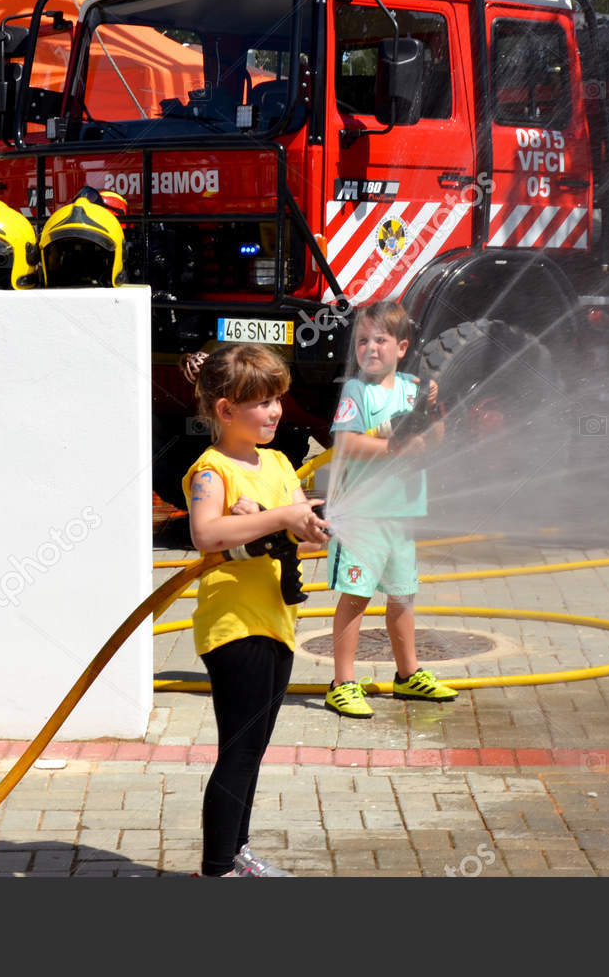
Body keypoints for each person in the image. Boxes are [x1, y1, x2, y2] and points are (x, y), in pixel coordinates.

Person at [185, 343, 329, 877]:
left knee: (255, 750)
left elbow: (301, 532)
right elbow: (206, 533)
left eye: (277, 400)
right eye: (262, 402)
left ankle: (238, 854)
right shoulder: (212, 469)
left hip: (277, 621)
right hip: (234, 627)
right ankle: (218, 866)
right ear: (225, 411)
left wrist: (311, 524)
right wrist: (277, 517)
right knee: (238, 750)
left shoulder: (278, 463)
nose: (274, 411)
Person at [323, 300, 457, 718]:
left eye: (380, 340)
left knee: (403, 595)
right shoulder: (355, 392)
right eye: (362, 340)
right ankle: (342, 681)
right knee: (355, 598)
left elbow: (437, 438)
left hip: (401, 514)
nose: (370, 348)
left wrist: (432, 411)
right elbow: (344, 444)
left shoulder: (413, 388)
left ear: (402, 347)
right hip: (362, 517)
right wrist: (394, 446)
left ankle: (408, 673)